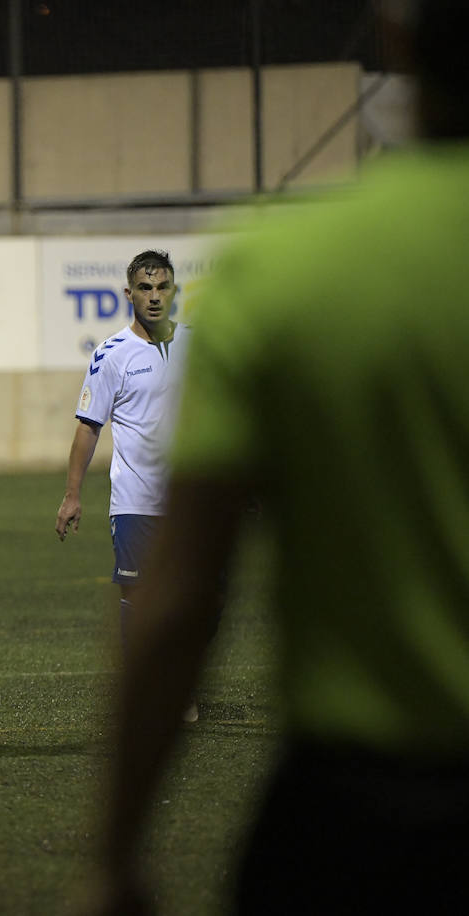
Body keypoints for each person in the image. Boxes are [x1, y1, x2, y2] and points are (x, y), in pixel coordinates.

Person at [95, 2, 469, 912]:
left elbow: (182, 598)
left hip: (358, 810)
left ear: (396, 37)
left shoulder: (286, 265)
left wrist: (115, 853)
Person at [54, 249, 204, 722]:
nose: (154, 296)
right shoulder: (111, 355)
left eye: (162, 287)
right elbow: (87, 426)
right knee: (140, 597)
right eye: (145, 287)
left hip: (191, 497)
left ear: (174, 290)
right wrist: (73, 493)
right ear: (129, 293)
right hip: (136, 498)